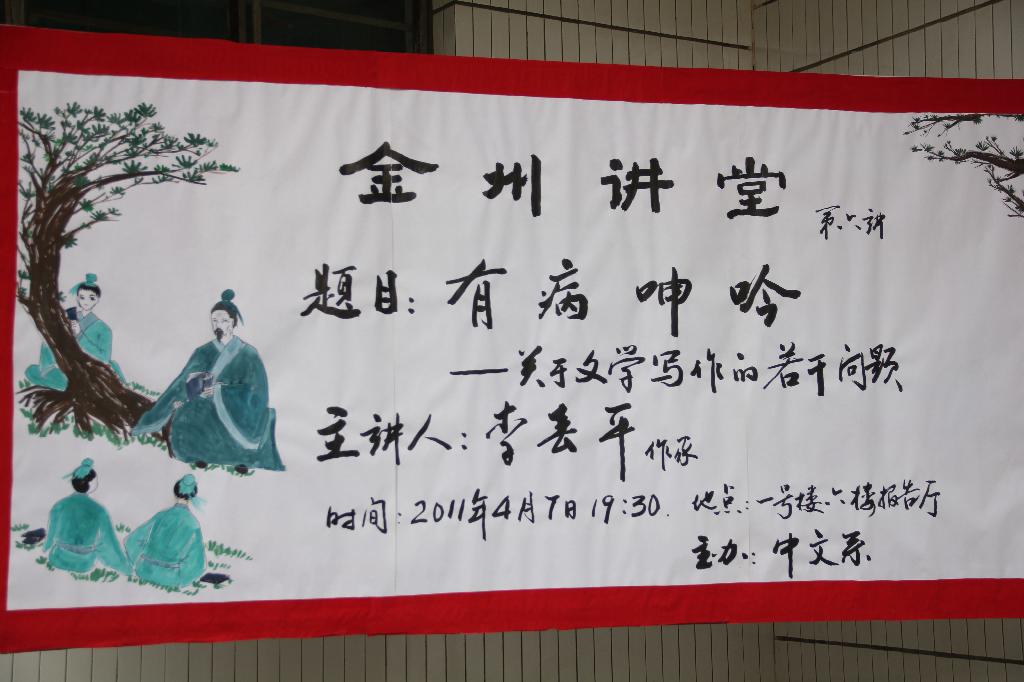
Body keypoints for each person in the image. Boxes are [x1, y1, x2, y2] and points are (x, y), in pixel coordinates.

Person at [133, 289, 284, 473]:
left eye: (223, 321)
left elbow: (257, 391)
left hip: (237, 412)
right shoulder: (203, 351)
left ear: (233, 322)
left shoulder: (249, 354)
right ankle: (199, 454)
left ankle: (241, 459)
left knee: (239, 422)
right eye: (214, 321)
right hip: (203, 405)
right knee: (187, 414)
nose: (218, 325)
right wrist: (181, 397)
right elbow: (181, 382)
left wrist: (220, 391)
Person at [25, 273, 126, 390]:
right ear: (77, 298)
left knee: (83, 381)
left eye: (91, 298)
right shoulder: (69, 318)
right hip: (65, 366)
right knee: (32, 370)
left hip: (88, 370)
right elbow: (54, 343)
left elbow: (104, 358)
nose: (86, 301)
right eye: (82, 297)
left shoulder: (104, 329)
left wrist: (79, 336)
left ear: (97, 300)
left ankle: (76, 386)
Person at [42, 458, 131, 575]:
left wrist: (46, 548)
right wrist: (125, 567)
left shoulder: (60, 505)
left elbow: (51, 532)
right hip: (84, 562)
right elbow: (109, 541)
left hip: (57, 557)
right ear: (90, 484)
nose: (97, 483)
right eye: (96, 481)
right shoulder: (99, 510)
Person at [125, 474, 206, 588]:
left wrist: (136, 560)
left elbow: (132, 540)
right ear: (193, 495)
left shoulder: (161, 515)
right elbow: (197, 562)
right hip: (171, 578)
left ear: (175, 492)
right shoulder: (193, 524)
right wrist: (183, 578)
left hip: (145, 571)